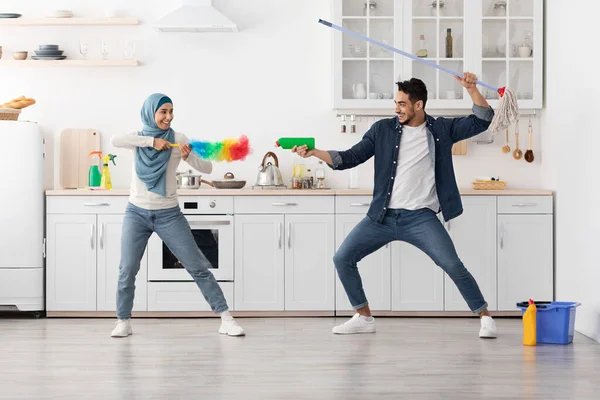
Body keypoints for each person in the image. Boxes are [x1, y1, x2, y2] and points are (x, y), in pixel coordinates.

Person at [293, 73, 498, 338]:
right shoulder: (383, 130)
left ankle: (484, 316)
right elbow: (350, 157)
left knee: (452, 264)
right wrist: (314, 153)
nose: (396, 109)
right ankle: (364, 317)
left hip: (420, 218)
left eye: (402, 103)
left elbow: (482, 119)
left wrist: (471, 90)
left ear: (418, 105)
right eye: (396, 103)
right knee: (343, 258)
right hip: (382, 217)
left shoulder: (441, 130)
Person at [109, 93, 245, 338]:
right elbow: (114, 139)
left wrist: (188, 156)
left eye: (171, 111)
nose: (168, 117)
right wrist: (151, 142)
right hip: (136, 213)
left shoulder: (178, 139)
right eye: (163, 111)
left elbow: (208, 168)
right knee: (127, 269)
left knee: (198, 266)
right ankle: (123, 321)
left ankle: (226, 318)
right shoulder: (137, 138)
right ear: (150, 112)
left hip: (168, 214)